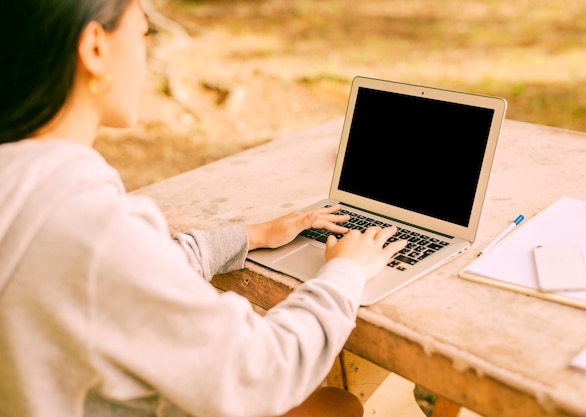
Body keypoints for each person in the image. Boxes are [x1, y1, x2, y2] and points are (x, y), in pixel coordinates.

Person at [0, 1, 407, 416]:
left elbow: (130, 273)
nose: (144, 56)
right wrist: (347, 272)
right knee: (338, 409)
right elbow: (263, 372)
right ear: (95, 49)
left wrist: (251, 235)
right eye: (144, 34)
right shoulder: (95, 228)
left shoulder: (24, 189)